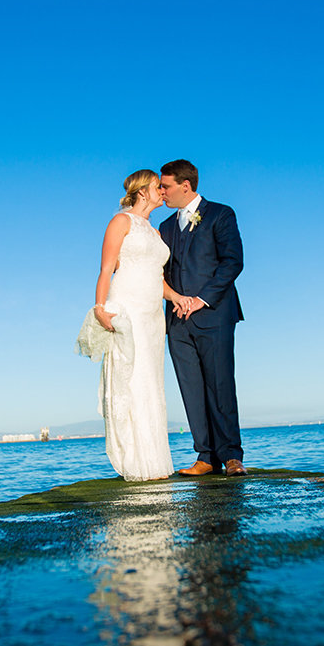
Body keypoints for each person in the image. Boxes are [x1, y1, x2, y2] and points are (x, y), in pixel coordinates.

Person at [76, 169, 188, 481]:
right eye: (157, 187)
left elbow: (157, 277)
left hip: (153, 314)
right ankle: (135, 462)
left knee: (152, 382)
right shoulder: (120, 222)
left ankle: (154, 462)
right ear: (143, 191)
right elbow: (107, 268)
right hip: (128, 307)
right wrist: (100, 308)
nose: (162, 192)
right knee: (132, 379)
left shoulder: (154, 231)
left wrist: (176, 297)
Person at [156, 159, 247, 476]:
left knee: (220, 384)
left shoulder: (221, 214)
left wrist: (200, 299)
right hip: (177, 322)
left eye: (165, 186)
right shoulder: (165, 227)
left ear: (185, 185)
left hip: (214, 314)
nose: (161, 192)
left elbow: (233, 263)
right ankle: (206, 456)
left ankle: (232, 455)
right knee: (191, 388)